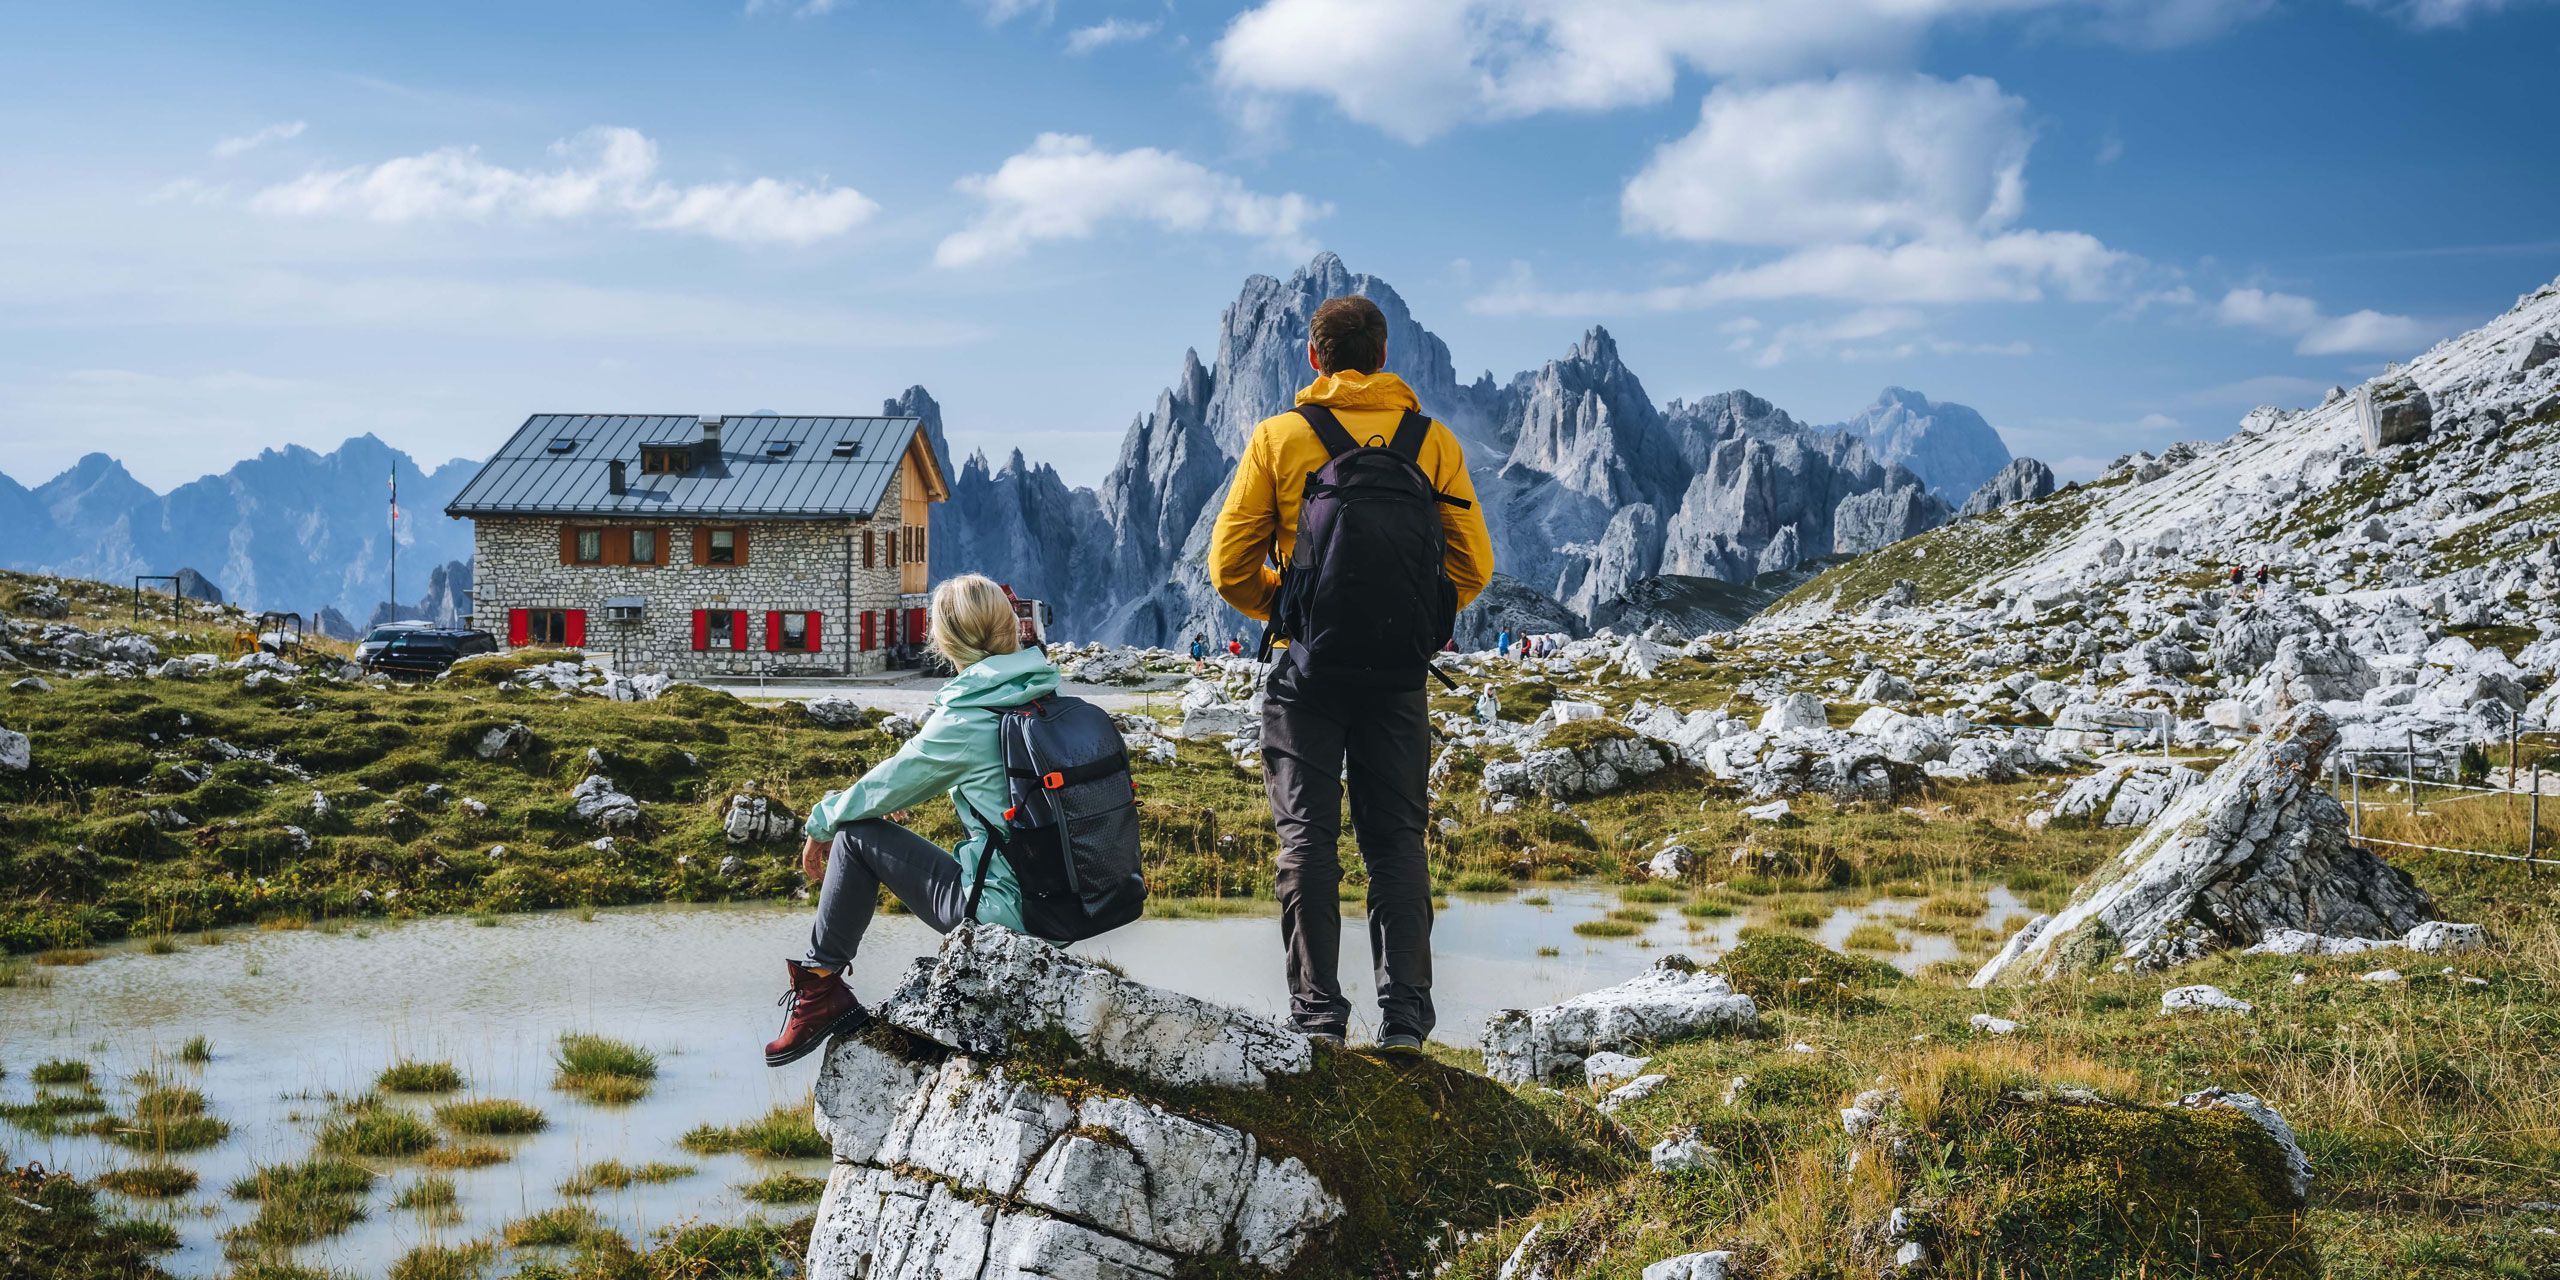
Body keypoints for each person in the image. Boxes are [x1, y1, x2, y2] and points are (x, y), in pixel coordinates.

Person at [1207, 294, 1494, 1051]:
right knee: (1396, 842)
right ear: (1386, 355)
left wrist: (1293, 608)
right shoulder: (1433, 443)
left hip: (1308, 675)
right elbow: (1474, 565)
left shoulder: (1279, 438)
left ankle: (1318, 1019)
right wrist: (1416, 625)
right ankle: (1405, 1023)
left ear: (1313, 358)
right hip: (1397, 679)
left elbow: (1227, 567)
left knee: (1307, 841)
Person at [763, 573, 1055, 1067]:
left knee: (854, 835)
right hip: (1071, 904)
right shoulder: (1044, 691)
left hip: (1008, 914)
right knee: (865, 825)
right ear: (1010, 628)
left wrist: (820, 824)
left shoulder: (967, 717)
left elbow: (884, 785)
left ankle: (820, 989)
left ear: (944, 640)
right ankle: (821, 986)